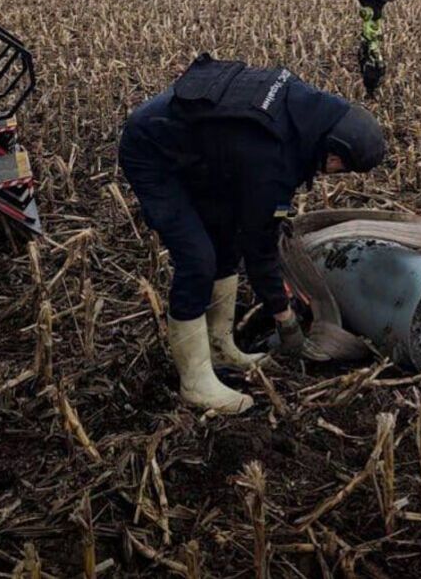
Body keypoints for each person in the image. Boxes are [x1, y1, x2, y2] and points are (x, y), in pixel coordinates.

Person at [118, 55, 386, 413]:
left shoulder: (308, 112)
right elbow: (260, 244)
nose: (335, 174)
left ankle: (220, 345)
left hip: (203, 156)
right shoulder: (271, 157)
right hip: (153, 154)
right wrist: (283, 316)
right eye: (342, 167)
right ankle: (195, 381)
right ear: (335, 149)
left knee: (225, 240)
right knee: (197, 259)